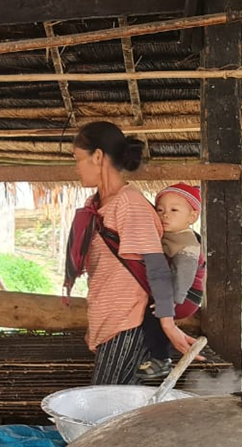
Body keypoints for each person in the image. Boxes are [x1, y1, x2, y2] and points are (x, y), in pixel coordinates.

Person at [64, 121, 197, 385]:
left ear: (98, 157)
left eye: (79, 159)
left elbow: (156, 266)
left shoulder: (129, 205)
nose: (76, 167)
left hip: (128, 323)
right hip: (109, 321)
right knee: (115, 403)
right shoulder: (96, 204)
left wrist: (168, 326)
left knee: (106, 404)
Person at [137, 183, 205, 379]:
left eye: (174, 210)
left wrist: (172, 301)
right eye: (160, 210)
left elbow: (184, 273)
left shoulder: (187, 243)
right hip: (175, 291)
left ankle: (161, 360)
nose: (165, 215)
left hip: (185, 296)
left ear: (192, 217)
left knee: (153, 315)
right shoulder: (170, 234)